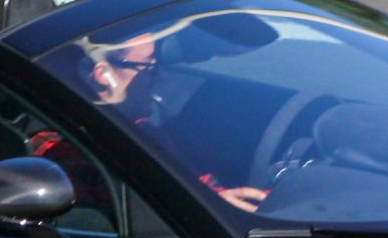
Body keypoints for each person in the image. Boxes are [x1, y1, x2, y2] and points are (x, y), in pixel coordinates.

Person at [71, 27, 272, 213]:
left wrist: (218, 198)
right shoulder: (70, 145)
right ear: (103, 75)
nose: (159, 79)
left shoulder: (144, 130)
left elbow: (187, 184)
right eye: (148, 68)